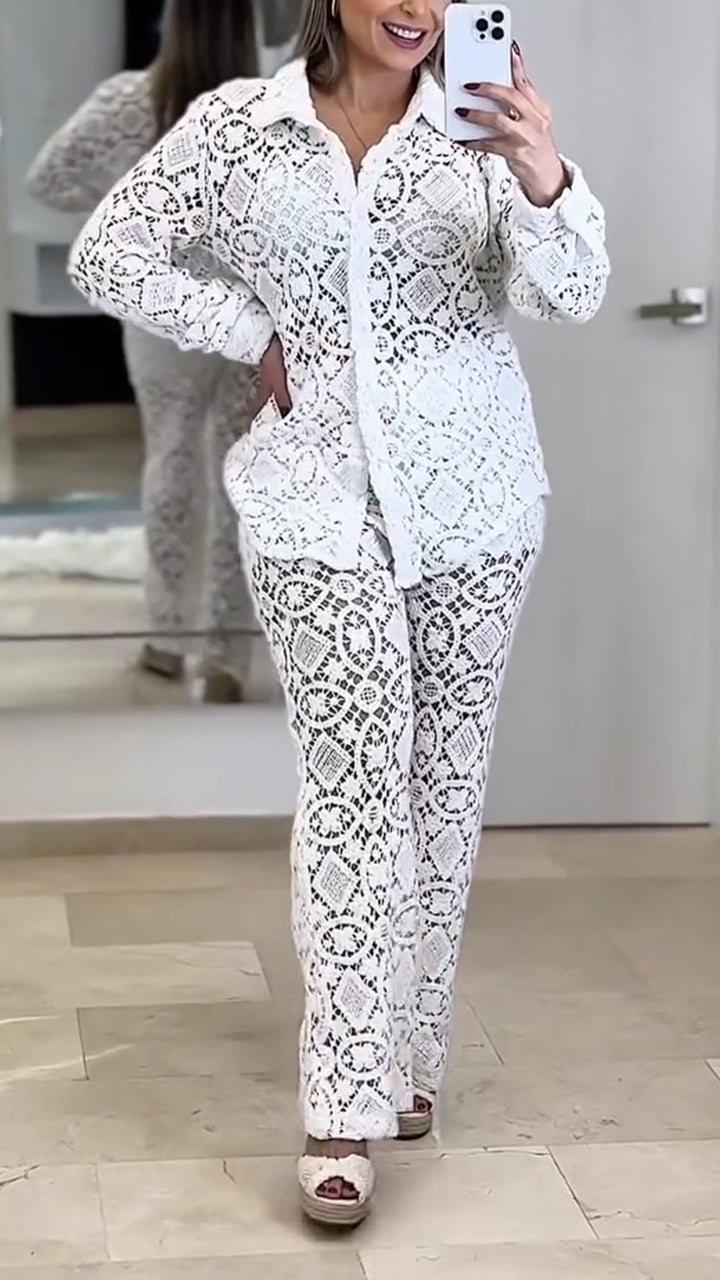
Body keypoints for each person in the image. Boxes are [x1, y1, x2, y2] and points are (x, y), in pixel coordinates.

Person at [68, 0, 609, 1226]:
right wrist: (247, 327)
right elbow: (111, 250)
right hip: (311, 504)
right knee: (355, 784)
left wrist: (542, 171)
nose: (417, 8)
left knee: (442, 784)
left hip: (476, 504)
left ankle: (410, 1052)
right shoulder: (240, 128)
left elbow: (571, 291)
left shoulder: (481, 128)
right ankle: (341, 1102)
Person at [27, 0, 292, 701]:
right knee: (240, 471)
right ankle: (227, 653)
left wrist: (124, 214)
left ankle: (169, 636)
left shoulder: (128, 102)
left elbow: (47, 178)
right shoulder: (268, 106)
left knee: (170, 455)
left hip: (162, 313)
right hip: (246, 309)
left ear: (173, 24)